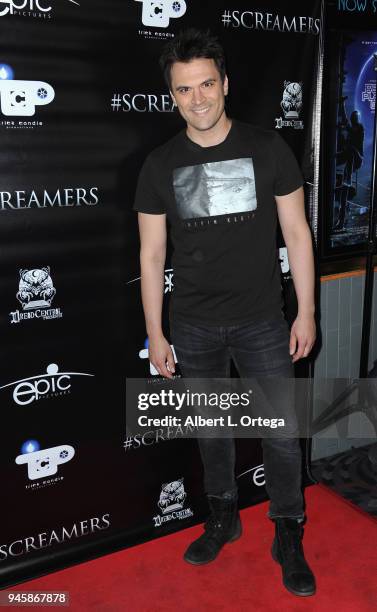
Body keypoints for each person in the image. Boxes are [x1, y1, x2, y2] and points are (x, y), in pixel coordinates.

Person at [133, 28, 316, 597]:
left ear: (225, 84)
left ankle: (288, 532)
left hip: (263, 319)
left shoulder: (268, 148)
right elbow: (151, 253)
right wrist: (154, 333)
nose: (199, 98)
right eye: (185, 89)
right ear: (173, 96)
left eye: (207, 83)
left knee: (281, 435)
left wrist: (305, 312)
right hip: (194, 324)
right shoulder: (159, 165)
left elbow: (297, 233)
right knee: (212, 432)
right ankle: (223, 517)